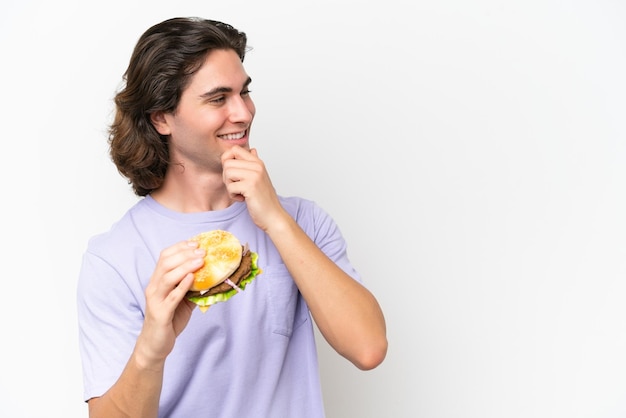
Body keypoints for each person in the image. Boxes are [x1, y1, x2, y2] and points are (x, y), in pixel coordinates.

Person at [76, 16, 387, 418]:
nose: (242, 113)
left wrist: (274, 218)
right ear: (161, 118)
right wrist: (151, 349)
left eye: (245, 92)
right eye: (218, 98)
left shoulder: (302, 220)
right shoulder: (114, 258)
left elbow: (368, 348)